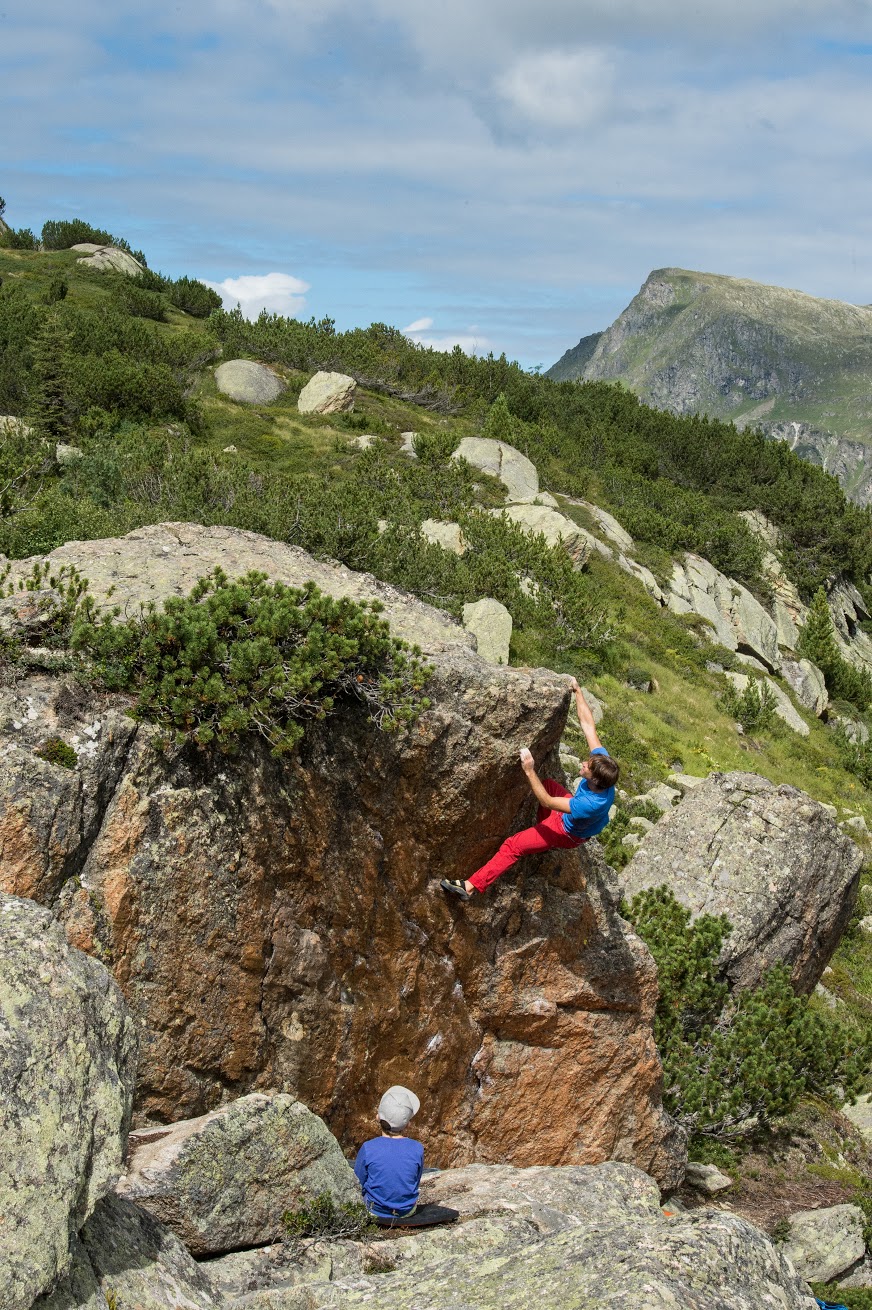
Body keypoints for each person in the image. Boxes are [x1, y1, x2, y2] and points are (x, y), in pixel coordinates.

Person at [441, 677, 619, 901]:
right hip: (569, 817)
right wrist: (577, 691)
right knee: (549, 785)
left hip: (566, 831)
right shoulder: (603, 767)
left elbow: (546, 802)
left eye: (587, 767)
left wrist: (529, 770)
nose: (584, 763)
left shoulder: (589, 804)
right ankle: (541, 835)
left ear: (595, 781)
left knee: (513, 845)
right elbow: (587, 725)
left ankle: (470, 886)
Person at [354, 1086, 424, 1220]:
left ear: (377, 1117)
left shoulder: (368, 1148)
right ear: (408, 1124)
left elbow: (358, 1182)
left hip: (375, 1210)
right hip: (406, 1211)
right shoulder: (417, 1148)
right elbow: (415, 1181)